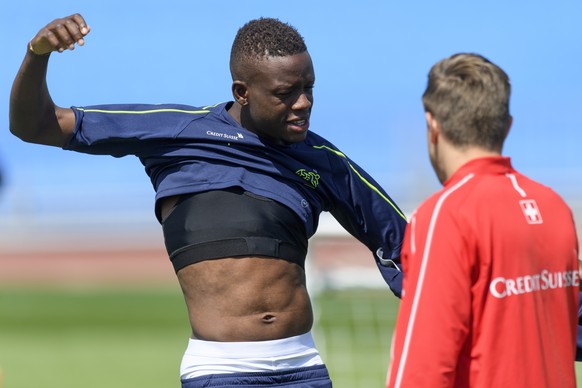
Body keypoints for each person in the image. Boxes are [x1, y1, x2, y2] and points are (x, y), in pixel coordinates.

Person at [10, 14, 408, 387]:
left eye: (309, 88)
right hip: (221, 372)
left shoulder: (324, 162)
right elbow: (35, 124)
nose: (303, 103)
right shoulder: (175, 131)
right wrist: (38, 54)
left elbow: (404, 249)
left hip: (304, 370)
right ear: (242, 92)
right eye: (286, 93)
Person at [386, 53, 580, 388]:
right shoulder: (554, 207)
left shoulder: (445, 215)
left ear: (432, 126)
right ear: (506, 125)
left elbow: (420, 369)